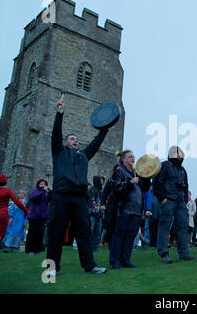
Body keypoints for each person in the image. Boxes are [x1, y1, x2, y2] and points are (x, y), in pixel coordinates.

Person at [46, 98, 108, 276]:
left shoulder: (83, 156)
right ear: (66, 142)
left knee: (84, 233)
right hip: (61, 196)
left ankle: (90, 266)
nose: (75, 141)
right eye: (72, 139)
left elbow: (95, 144)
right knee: (56, 233)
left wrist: (104, 129)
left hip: (80, 198)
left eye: (77, 140)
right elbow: (56, 134)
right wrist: (60, 114)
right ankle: (51, 269)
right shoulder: (58, 151)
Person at [153, 146, 197, 263]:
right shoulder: (164, 165)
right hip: (168, 200)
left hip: (180, 202)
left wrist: (184, 200)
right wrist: (163, 198)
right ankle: (164, 253)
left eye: (181, 154)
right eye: (178, 153)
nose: (180, 156)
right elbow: (157, 182)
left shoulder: (182, 170)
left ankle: (184, 254)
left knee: (183, 226)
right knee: (164, 226)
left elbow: (186, 186)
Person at [109, 150, 151, 268]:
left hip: (136, 210)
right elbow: (116, 187)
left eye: (133, 157)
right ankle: (115, 261)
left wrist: (147, 176)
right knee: (119, 235)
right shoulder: (119, 171)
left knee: (131, 236)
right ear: (124, 159)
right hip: (124, 209)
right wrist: (130, 182)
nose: (133, 159)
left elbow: (145, 187)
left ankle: (126, 260)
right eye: (130, 157)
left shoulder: (135, 172)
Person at [25, 179, 50, 255]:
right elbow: (34, 198)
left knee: (40, 233)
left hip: (42, 216)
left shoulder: (46, 193)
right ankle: (31, 250)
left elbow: (52, 200)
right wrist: (43, 191)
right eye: (41, 184)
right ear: (38, 185)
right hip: (34, 215)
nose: (43, 185)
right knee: (32, 233)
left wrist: (51, 192)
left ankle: (38, 249)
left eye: (44, 184)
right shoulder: (34, 191)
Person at [88, 175, 106, 252]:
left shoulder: (100, 191)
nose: (102, 181)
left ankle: (95, 248)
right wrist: (99, 208)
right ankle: (90, 248)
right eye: (101, 180)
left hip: (99, 215)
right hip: (93, 214)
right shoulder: (92, 190)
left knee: (98, 232)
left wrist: (103, 206)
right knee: (91, 231)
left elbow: (101, 202)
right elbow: (91, 203)